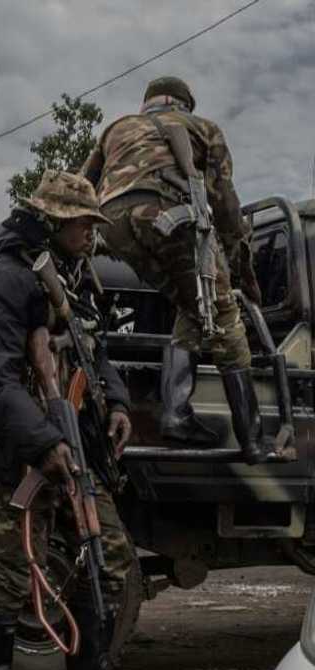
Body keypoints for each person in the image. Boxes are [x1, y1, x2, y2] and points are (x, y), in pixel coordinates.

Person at [0, 171, 153, 670]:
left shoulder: (75, 280)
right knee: (13, 571)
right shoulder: (7, 280)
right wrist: (44, 444)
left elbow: (98, 351)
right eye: (85, 224)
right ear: (55, 222)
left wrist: (116, 404)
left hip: (80, 446)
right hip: (22, 454)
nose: (93, 235)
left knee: (108, 557)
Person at [80, 76, 268, 463]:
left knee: (189, 301)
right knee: (224, 317)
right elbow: (225, 203)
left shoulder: (116, 128)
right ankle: (253, 441)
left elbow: (82, 184)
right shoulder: (203, 128)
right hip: (166, 214)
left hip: (111, 223)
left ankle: (177, 414)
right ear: (186, 104)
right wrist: (235, 257)